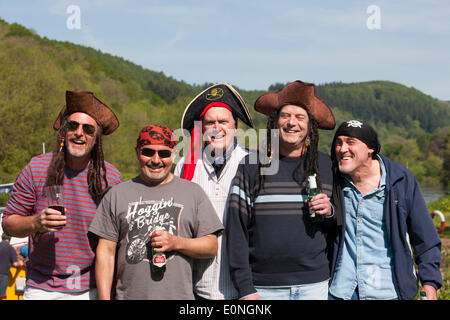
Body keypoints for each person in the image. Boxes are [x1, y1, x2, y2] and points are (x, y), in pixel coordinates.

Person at [1, 91, 123, 300]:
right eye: (72, 126)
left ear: (96, 139)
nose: (79, 133)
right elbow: (9, 224)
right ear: (63, 131)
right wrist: (35, 222)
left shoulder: (110, 177)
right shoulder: (36, 168)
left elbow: (117, 241)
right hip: (42, 288)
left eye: (88, 129)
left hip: (90, 289)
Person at [226, 80, 337, 300]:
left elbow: (340, 225)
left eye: (300, 117)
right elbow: (236, 229)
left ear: (310, 126)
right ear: (275, 122)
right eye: (285, 115)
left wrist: (330, 212)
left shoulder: (327, 166)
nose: (291, 123)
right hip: (263, 288)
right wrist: (245, 288)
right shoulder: (251, 165)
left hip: (314, 286)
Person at [89, 124, 224, 300]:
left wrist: (176, 242)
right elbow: (105, 252)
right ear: (137, 151)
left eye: (164, 153)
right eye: (148, 152)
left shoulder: (193, 192)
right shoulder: (116, 194)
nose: (155, 160)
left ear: (174, 155)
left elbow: (211, 246)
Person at [328, 120, 442, 300]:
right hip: (340, 292)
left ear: (370, 149)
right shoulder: (331, 179)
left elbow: (425, 238)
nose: (342, 149)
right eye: (338, 142)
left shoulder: (401, 181)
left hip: (388, 292)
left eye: (351, 142)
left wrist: (430, 283)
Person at [174, 83, 254, 299]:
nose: (216, 127)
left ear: (235, 126)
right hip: (196, 285)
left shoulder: (252, 162)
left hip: (244, 288)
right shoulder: (185, 165)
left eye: (223, 121)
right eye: (210, 122)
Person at [0, 234, 24, 300]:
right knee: (2, 296)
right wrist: (20, 263)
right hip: (3, 274)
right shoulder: (10, 248)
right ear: (10, 238)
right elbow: (15, 264)